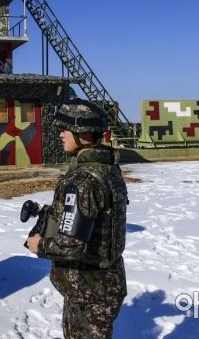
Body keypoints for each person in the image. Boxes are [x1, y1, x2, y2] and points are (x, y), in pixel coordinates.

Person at [26, 99, 128, 339]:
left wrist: (38, 245)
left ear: (82, 133)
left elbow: (71, 244)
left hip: (88, 291)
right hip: (103, 283)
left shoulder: (83, 181)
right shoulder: (108, 169)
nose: (61, 134)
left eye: (65, 129)